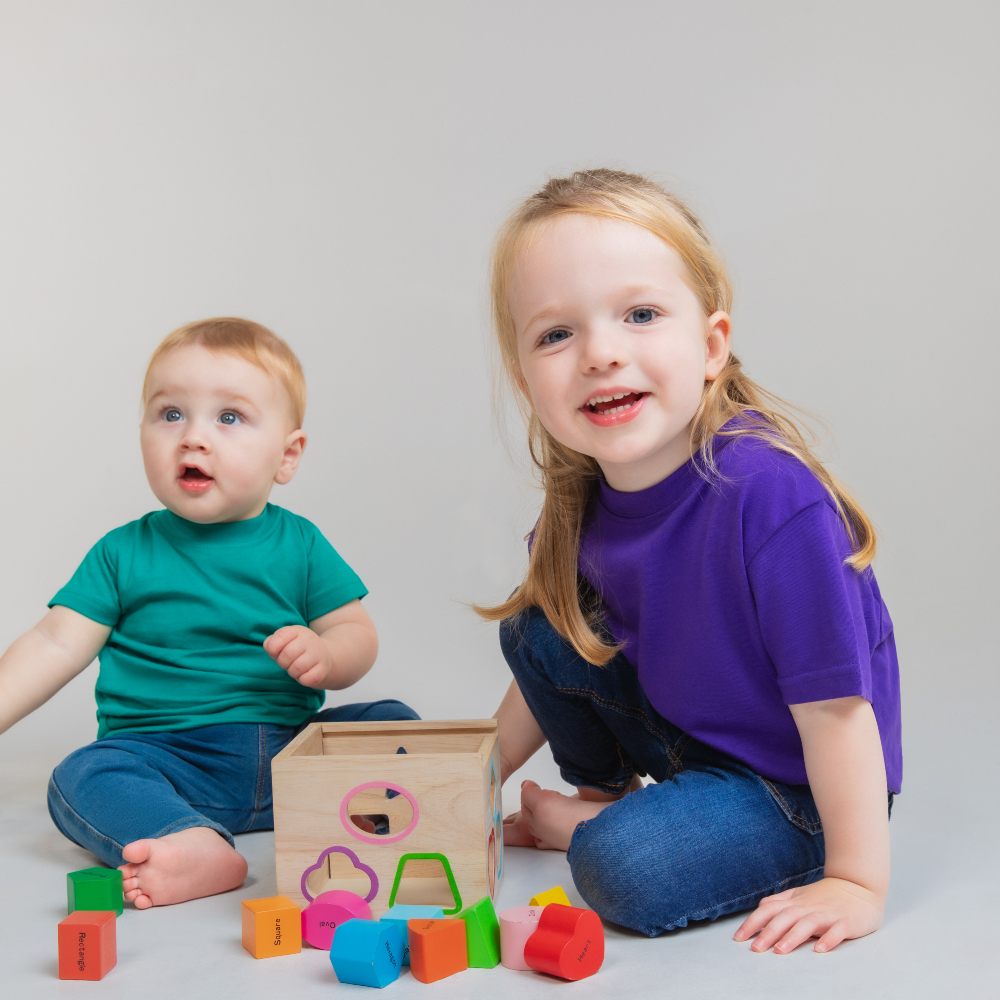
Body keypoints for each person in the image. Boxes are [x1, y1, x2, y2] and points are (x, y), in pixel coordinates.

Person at [478, 170, 901, 954]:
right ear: (525, 378)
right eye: (556, 334)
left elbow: (839, 712)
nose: (601, 353)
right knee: (540, 620)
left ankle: (604, 822)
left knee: (622, 868)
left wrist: (855, 878)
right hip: (685, 735)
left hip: (796, 783)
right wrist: (466, 788)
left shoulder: (772, 497)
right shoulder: (581, 496)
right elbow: (552, 666)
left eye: (640, 315)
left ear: (711, 346)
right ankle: (610, 796)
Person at [0, 317, 417, 908]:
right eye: (171, 414)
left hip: (290, 758)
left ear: (287, 455)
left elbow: (355, 632)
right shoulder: (123, 552)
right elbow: (53, 643)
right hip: (168, 761)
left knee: (395, 723)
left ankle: (372, 818)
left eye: (229, 418)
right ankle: (189, 841)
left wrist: (327, 655)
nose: (193, 438)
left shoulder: (300, 543)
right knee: (82, 775)